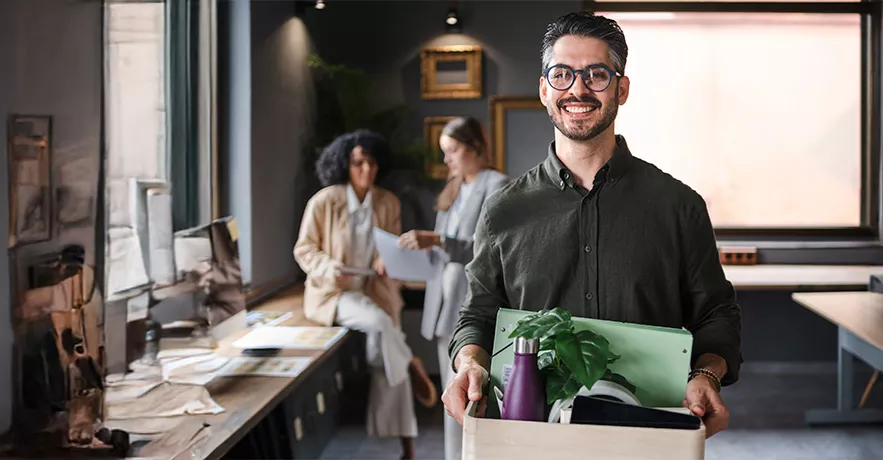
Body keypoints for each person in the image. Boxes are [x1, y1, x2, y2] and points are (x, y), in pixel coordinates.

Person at [440, 12, 741, 438]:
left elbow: (716, 314)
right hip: (532, 435)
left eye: (596, 74)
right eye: (561, 74)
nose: (577, 89)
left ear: (622, 88)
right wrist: (470, 364)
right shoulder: (503, 210)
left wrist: (707, 376)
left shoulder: (680, 206)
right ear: (544, 89)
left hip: (650, 432)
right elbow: (478, 314)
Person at [294, 129, 437, 460]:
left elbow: (391, 247)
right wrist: (329, 267)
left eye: (372, 162)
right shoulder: (324, 201)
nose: (366, 170)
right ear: (345, 163)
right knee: (383, 328)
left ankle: (407, 448)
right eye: (359, 162)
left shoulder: (388, 202)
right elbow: (304, 249)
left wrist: (384, 258)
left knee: (384, 358)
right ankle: (409, 374)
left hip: (376, 290)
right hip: (335, 294)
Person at [397, 117, 507, 460]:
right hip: (443, 299)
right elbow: (443, 250)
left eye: (453, 150)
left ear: (476, 146)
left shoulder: (497, 184)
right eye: (444, 152)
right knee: (451, 393)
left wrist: (438, 239)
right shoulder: (454, 188)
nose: (447, 160)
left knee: (466, 387)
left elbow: (489, 248)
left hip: (469, 300)